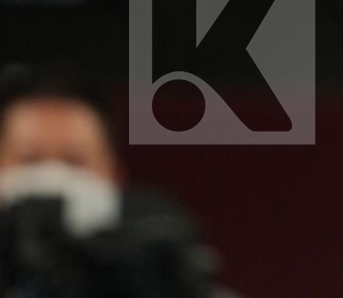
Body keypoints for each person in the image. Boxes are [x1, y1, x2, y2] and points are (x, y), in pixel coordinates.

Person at [0, 62, 221, 297]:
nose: (52, 177)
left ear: (113, 173)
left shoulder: (158, 271)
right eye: (29, 160)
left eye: (75, 161)